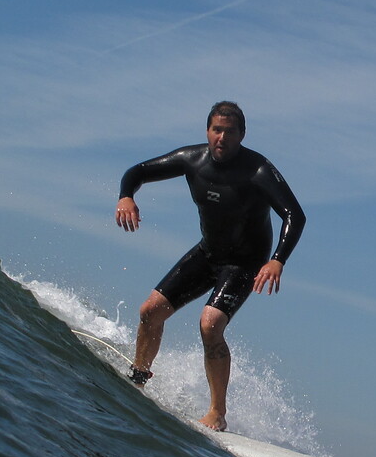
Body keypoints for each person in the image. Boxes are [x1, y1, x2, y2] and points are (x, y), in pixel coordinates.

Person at [114, 102, 305, 431]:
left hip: (245, 263)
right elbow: (139, 171)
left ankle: (217, 412)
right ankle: (139, 376)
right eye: (217, 129)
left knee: (210, 323)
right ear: (207, 131)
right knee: (150, 311)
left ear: (242, 135)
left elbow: (294, 215)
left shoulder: (257, 170)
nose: (222, 137)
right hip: (209, 253)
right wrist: (126, 196)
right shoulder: (193, 160)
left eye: (230, 132)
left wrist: (277, 259)